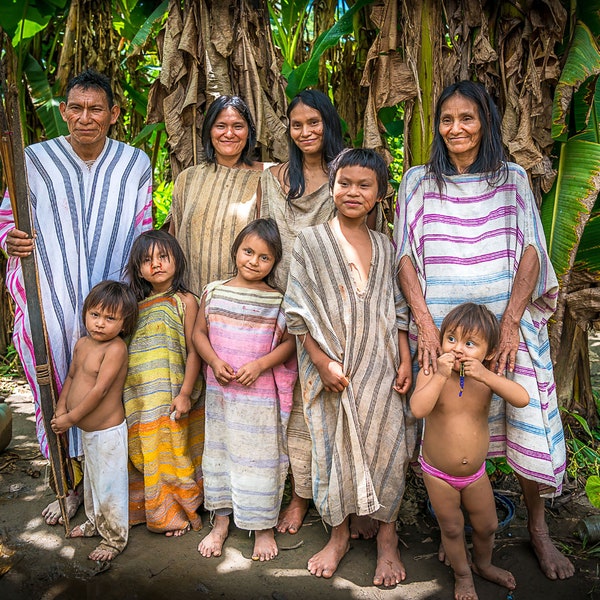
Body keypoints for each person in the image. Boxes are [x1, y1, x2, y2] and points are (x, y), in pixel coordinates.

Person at [394, 79, 574, 580]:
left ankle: (537, 530)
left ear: (485, 122)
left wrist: (512, 321)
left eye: (467, 118)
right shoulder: (418, 181)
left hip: (502, 333)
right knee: (449, 423)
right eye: (447, 119)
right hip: (444, 337)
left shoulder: (512, 178)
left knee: (526, 421)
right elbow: (405, 257)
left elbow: (533, 250)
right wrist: (426, 327)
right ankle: (454, 532)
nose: (456, 128)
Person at [0, 69, 153, 525]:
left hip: (108, 299)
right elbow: (8, 216)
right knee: (53, 384)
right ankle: (64, 483)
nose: (85, 118)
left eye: (96, 109)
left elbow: (141, 227)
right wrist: (12, 240)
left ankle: (97, 485)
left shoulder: (134, 163)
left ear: (114, 114)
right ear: (63, 111)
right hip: (49, 292)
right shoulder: (34, 159)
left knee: (103, 390)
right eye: (76, 108)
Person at [284, 148, 415, 586]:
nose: (353, 192)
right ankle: (337, 536)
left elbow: (398, 310)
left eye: (364, 185)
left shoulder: (386, 244)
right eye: (345, 183)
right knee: (331, 452)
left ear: (380, 194)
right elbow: (298, 312)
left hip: (380, 368)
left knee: (389, 450)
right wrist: (320, 363)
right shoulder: (309, 240)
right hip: (332, 372)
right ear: (333, 187)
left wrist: (406, 358)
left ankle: (387, 541)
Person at [260, 89, 382, 539]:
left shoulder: (348, 177)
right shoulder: (273, 178)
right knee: (293, 407)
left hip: (337, 312)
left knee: (341, 404)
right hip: (284, 309)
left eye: (314, 122)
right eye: (297, 124)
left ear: (329, 123)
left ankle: (351, 498)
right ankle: (298, 494)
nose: (306, 131)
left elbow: (366, 237)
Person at [193, 218, 297, 561]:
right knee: (220, 454)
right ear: (235, 250)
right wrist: (213, 360)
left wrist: (261, 364)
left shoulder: (277, 301)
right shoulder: (214, 291)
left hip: (259, 400)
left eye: (264, 257)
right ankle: (221, 522)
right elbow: (198, 334)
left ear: (274, 263)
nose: (253, 261)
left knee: (261, 459)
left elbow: (291, 345)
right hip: (222, 397)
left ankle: (262, 527)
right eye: (247, 251)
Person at [410, 303, 529, 599]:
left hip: (475, 474)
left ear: (488, 353)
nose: (458, 349)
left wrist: (486, 377)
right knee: (451, 528)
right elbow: (417, 409)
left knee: (487, 525)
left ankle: (483, 564)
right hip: (438, 473)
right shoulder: (431, 370)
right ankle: (463, 575)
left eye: (470, 343)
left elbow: (522, 399)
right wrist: (438, 376)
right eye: (451, 339)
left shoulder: (487, 377)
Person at [50, 280, 139, 561]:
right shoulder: (82, 344)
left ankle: (114, 539)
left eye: (110, 318)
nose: (100, 323)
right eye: (95, 315)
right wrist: (61, 408)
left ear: (124, 324)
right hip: (88, 432)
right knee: (92, 483)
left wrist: (71, 418)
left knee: (109, 486)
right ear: (86, 313)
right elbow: (73, 376)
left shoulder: (115, 349)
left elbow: (100, 390)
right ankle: (93, 522)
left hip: (108, 433)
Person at [123, 230, 203, 536]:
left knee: (173, 451)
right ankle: (150, 510)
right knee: (144, 452)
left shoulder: (185, 300)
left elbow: (194, 349)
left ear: (176, 260)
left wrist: (185, 393)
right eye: (147, 260)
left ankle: (178, 512)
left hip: (171, 393)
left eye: (162, 257)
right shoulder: (134, 305)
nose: (155, 264)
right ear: (138, 268)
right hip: (139, 396)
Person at [169, 95, 268, 297]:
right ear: (209, 131)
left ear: (249, 132)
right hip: (189, 299)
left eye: (238, 126)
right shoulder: (187, 179)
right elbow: (172, 238)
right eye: (220, 126)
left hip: (244, 302)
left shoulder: (267, 177)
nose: (229, 133)